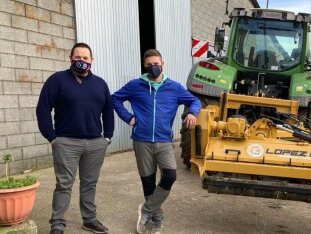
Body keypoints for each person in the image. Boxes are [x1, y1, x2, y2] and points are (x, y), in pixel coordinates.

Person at [111, 49, 200, 234]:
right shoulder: (135, 85)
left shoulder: (174, 87)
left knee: (170, 176)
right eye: (150, 64)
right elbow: (115, 99)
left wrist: (192, 112)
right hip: (141, 140)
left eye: (156, 64)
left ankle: (146, 209)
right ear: (145, 66)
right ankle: (157, 219)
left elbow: (194, 101)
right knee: (148, 181)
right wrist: (128, 118)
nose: (153, 67)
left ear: (163, 64)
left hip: (164, 141)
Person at [36, 43, 114, 234]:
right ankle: (57, 225)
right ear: (70, 58)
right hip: (66, 143)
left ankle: (89, 219)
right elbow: (42, 109)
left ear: (91, 60)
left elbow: (108, 112)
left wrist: (107, 138)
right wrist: (52, 138)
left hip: (95, 143)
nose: (81, 61)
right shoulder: (57, 80)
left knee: (89, 184)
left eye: (85, 58)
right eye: (77, 58)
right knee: (64, 185)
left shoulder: (100, 84)